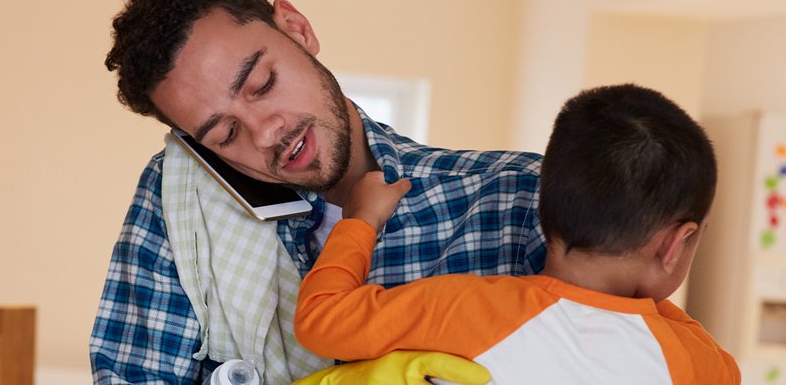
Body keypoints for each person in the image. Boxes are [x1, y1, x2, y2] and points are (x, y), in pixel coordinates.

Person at [92, 0, 546, 382]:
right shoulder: (186, 200)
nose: (266, 132)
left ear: (297, 28)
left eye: (262, 83)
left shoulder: (517, 198)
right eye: (226, 134)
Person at [294, 84, 740, 384]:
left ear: (545, 206)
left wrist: (361, 219)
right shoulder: (691, 360)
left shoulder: (471, 309)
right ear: (675, 244)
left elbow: (322, 319)